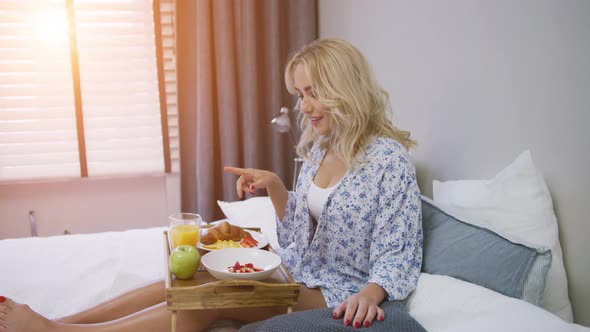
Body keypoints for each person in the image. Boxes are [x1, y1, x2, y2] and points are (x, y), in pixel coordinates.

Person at [0, 38, 422, 332]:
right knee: (193, 275)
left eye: (313, 92)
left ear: (342, 90)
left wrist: (371, 293)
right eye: (299, 94)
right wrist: (277, 187)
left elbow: (397, 252)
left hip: (336, 293)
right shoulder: (319, 149)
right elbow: (301, 234)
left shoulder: (388, 162)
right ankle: (64, 320)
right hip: (300, 271)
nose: (304, 106)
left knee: (214, 298)